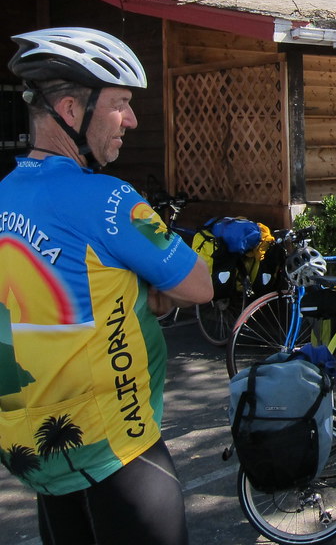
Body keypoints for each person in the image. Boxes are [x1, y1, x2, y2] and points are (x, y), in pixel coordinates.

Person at [0, 27, 214, 545]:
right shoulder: (110, 200)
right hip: (116, 449)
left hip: (39, 455)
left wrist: (130, 293)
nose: (133, 120)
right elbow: (200, 284)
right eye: (120, 104)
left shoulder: (5, 193)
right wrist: (150, 292)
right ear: (71, 111)